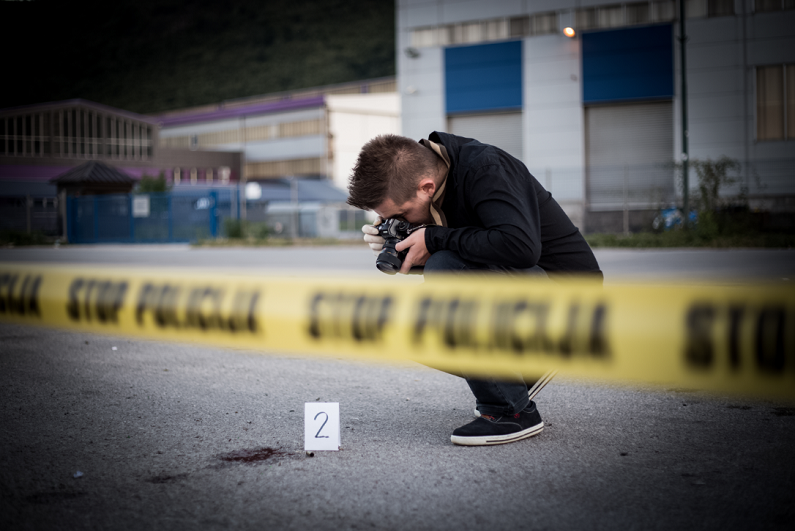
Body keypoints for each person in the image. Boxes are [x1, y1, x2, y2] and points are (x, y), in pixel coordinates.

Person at [347, 132, 602, 446]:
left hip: (571, 299)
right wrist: (403, 248)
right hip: (525, 288)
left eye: (399, 214)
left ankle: (510, 411)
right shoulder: (435, 184)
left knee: (444, 268)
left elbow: (519, 247)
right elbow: (469, 250)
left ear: (426, 187)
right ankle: (523, 372)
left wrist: (433, 239)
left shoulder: (485, 168)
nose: (397, 220)